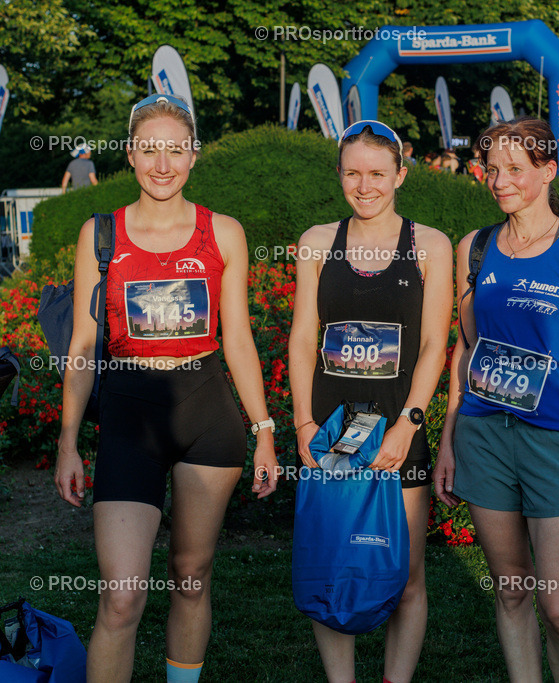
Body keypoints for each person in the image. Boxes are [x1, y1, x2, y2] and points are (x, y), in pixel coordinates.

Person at [54, 93, 280, 683]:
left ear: (193, 156)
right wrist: (68, 442)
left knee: (190, 574)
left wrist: (264, 432)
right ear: (131, 155)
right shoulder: (99, 235)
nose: (162, 164)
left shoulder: (222, 233)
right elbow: (82, 346)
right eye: (150, 149)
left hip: (208, 416)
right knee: (122, 597)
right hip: (130, 420)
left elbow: (239, 341)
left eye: (174, 150)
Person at [434, 116, 559, 683]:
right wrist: (447, 440)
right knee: (512, 591)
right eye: (492, 169)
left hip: (558, 439)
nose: (500, 180)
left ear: (548, 170)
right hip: (484, 436)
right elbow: (464, 349)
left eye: (515, 169)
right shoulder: (475, 248)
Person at [289, 120, 453, 683]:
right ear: (339, 174)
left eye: (378, 173)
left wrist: (410, 423)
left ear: (400, 175)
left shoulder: (429, 245)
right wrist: (302, 420)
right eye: (353, 172)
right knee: (333, 562)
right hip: (332, 430)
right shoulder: (316, 242)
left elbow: (435, 343)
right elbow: (303, 337)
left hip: (398, 428)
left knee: (405, 575)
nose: (365, 185)